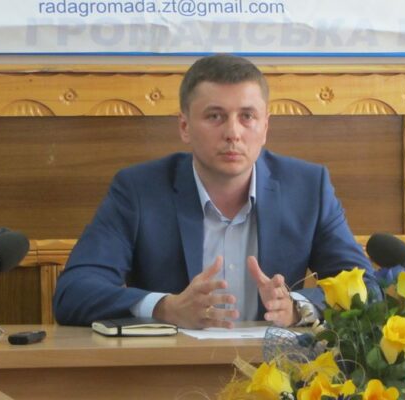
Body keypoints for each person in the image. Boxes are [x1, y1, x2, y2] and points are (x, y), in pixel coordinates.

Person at [53, 54, 378, 329]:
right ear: (184, 127)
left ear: (265, 127)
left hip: (278, 370)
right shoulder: (139, 190)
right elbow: (73, 292)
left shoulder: (308, 188)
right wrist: (165, 307)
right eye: (215, 116)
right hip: (171, 372)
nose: (233, 133)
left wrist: (297, 307)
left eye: (247, 117)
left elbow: (368, 289)